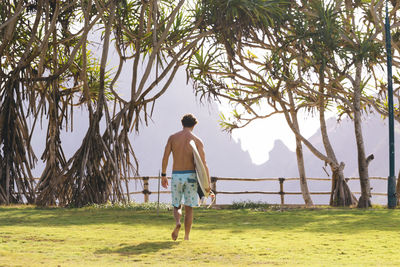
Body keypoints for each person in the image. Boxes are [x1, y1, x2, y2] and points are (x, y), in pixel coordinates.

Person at [161, 114, 210, 241]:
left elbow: (165, 157)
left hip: (177, 175)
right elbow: (203, 164)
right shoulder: (197, 140)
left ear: (182, 123)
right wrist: (207, 184)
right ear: (194, 125)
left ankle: (178, 222)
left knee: (177, 205)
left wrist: (164, 175)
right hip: (190, 176)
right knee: (189, 208)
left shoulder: (173, 138)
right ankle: (186, 237)